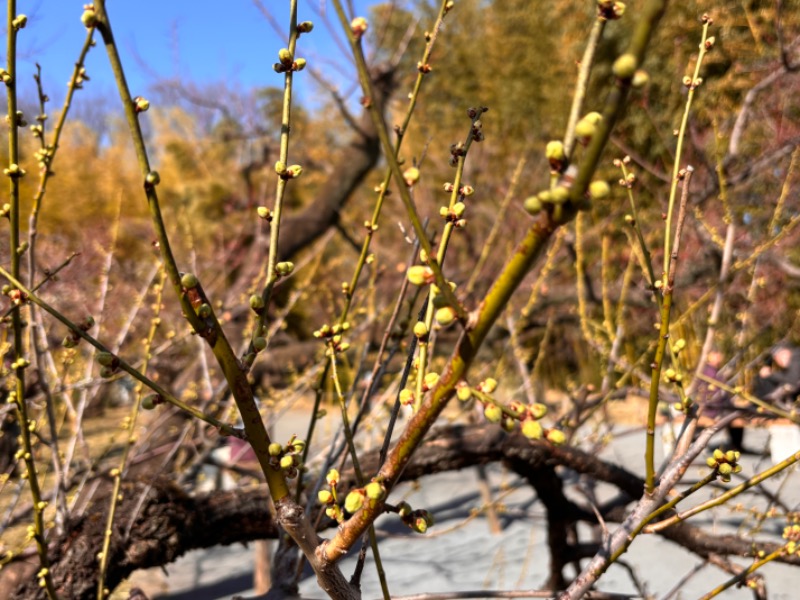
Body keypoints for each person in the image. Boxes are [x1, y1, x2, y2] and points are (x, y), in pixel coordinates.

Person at [696, 350, 744, 452]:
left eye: (720, 354)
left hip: (719, 409)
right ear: (709, 355)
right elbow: (714, 396)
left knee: (738, 416)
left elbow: (724, 395)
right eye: (716, 354)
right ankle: (736, 447)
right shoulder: (707, 373)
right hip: (711, 411)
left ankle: (737, 446)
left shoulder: (717, 372)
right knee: (735, 416)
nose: (720, 357)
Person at [753, 344, 800, 408]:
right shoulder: (794, 359)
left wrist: (770, 375)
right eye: (777, 357)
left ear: (787, 351)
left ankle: (768, 401)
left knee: (787, 385)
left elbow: (792, 380)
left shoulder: (796, 357)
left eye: (782, 354)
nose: (781, 360)